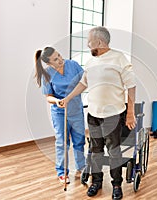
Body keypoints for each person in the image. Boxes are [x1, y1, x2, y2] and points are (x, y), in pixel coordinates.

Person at [58, 26, 136, 199]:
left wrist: (130, 112)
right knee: (95, 150)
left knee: (114, 151)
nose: (87, 44)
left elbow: (131, 86)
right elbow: (83, 83)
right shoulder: (91, 62)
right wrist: (68, 97)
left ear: (99, 42)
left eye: (89, 41)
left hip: (113, 114)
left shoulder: (119, 58)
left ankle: (117, 185)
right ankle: (96, 182)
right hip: (93, 114)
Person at [34, 47, 86, 184]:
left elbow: (85, 81)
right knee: (62, 142)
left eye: (59, 55)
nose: (60, 60)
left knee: (79, 140)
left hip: (76, 110)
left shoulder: (73, 65)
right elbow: (48, 97)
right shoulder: (47, 74)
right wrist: (57, 101)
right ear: (49, 63)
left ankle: (82, 167)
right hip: (59, 113)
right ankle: (62, 172)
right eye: (55, 59)